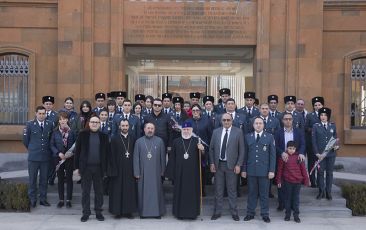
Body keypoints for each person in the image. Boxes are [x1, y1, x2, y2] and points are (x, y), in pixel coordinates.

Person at [165, 121, 205, 220]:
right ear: (181, 130)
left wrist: (202, 150)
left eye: (188, 129)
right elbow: (172, 158)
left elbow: (202, 157)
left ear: (191, 130)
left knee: (192, 193)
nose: (186, 131)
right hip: (180, 173)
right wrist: (171, 173)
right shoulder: (176, 141)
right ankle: (179, 213)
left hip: (193, 173)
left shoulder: (196, 141)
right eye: (184, 129)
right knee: (180, 192)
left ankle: (193, 213)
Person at [209, 113, 245, 221]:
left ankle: (234, 212)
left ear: (232, 120)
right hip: (218, 164)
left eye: (228, 120)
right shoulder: (216, 132)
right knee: (218, 190)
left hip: (232, 166)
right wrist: (212, 163)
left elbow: (242, 150)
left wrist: (239, 164)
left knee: (232, 190)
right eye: (224, 120)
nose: (226, 122)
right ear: (221, 121)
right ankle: (217, 211)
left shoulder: (238, 132)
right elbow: (211, 149)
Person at [74, 115, 110, 222]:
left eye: (96, 122)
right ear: (89, 124)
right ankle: (86, 212)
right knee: (86, 191)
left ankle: (98, 212)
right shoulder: (82, 135)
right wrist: (76, 168)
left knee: (99, 191)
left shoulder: (104, 136)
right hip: (86, 168)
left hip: (99, 168)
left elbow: (107, 154)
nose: (94, 124)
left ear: (99, 124)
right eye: (92, 122)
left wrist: (106, 169)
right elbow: (77, 152)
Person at [242, 117, 276, 223]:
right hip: (251, 170)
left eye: (260, 123)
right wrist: (244, 169)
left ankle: (265, 214)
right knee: (252, 193)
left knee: (264, 194)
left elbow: (272, 155)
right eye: (256, 123)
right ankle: (250, 213)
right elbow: (244, 155)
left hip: (264, 171)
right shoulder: (247, 137)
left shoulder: (269, 137)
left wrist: (271, 170)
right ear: (253, 125)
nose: (258, 125)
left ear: (263, 125)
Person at [133, 123, 166, 219]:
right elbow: (136, 158)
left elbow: (162, 158)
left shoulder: (159, 141)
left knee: (156, 192)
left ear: (154, 130)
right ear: (144, 129)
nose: (150, 130)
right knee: (143, 192)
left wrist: (163, 170)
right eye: (148, 128)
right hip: (142, 173)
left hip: (156, 172)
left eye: (152, 128)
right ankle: (143, 213)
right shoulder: (138, 142)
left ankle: (157, 213)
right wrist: (136, 172)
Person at [23, 105, 54, 208]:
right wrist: (32, 149)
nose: (41, 115)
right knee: (32, 179)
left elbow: (51, 140)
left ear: (46, 114)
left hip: (45, 157)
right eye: (39, 113)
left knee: (44, 180)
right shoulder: (30, 124)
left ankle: (43, 199)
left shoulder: (50, 124)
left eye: (43, 113)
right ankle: (32, 199)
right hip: (33, 157)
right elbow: (26, 141)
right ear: (36, 113)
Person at [274, 112, 306, 211]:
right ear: (282, 120)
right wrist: (281, 153)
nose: (288, 121)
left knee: (293, 183)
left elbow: (303, 144)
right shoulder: (278, 132)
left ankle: (293, 205)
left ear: (292, 120)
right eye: (286, 119)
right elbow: (275, 146)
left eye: (290, 119)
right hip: (282, 159)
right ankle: (281, 204)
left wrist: (301, 153)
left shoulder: (298, 132)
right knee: (281, 183)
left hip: (295, 160)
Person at [276, 141, 311, 223]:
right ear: (286, 148)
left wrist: (307, 180)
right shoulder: (284, 157)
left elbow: (304, 170)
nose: (291, 150)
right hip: (287, 181)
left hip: (297, 182)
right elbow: (280, 170)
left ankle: (296, 216)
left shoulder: (299, 157)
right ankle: (287, 215)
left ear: (296, 149)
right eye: (290, 148)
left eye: (293, 149)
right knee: (287, 199)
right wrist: (279, 181)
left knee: (296, 199)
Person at [109, 119, 137, 218]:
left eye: (126, 126)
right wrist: (113, 169)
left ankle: (128, 212)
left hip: (130, 168)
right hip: (118, 168)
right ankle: (117, 212)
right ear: (119, 126)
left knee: (129, 190)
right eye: (123, 126)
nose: (125, 127)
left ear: (129, 127)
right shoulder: (114, 138)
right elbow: (111, 155)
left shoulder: (133, 138)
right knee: (117, 190)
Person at [50, 111, 76, 208]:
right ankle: (61, 200)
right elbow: (51, 145)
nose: (63, 121)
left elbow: (76, 144)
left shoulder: (72, 132)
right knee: (60, 179)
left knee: (69, 179)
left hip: (69, 159)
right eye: (60, 119)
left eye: (64, 119)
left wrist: (71, 153)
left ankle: (69, 200)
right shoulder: (55, 132)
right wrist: (58, 153)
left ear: (67, 120)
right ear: (58, 121)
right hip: (59, 159)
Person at [186, 104, 213, 196]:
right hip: (191, 150)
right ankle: (192, 189)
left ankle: (202, 190)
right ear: (191, 112)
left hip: (203, 150)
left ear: (200, 111)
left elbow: (210, 135)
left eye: (197, 110)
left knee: (202, 170)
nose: (195, 112)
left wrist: (208, 148)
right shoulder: (188, 121)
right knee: (192, 170)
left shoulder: (207, 121)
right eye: (193, 111)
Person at [312, 107, 338, 200]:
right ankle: (321, 191)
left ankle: (328, 192)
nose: (323, 117)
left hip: (331, 154)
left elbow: (335, 138)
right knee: (320, 173)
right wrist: (317, 153)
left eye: (325, 115)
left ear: (328, 116)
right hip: (320, 155)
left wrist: (336, 146)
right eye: (321, 115)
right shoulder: (316, 126)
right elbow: (314, 141)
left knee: (329, 173)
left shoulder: (332, 125)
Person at [305, 96, 324, 187]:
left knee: (321, 163)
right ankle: (312, 181)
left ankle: (320, 181)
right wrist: (313, 129)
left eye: (319, 105)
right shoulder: (309, 115)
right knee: (312, 163)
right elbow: (306, 127)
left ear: (322, 105)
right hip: (312, 144)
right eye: (315, 105)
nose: (317, 106)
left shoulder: (325, 115)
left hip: (322, 144)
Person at [42, 96, 58, 186]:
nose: (48, 105)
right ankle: (44, 178)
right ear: (43, 104)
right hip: (43, 142)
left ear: (52, 105)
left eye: (50, 104)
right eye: (46, 104)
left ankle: (51, 178)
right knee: (44, 161)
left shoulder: (56, 115)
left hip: (53, 141)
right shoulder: (40, 114)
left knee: (53, 161)